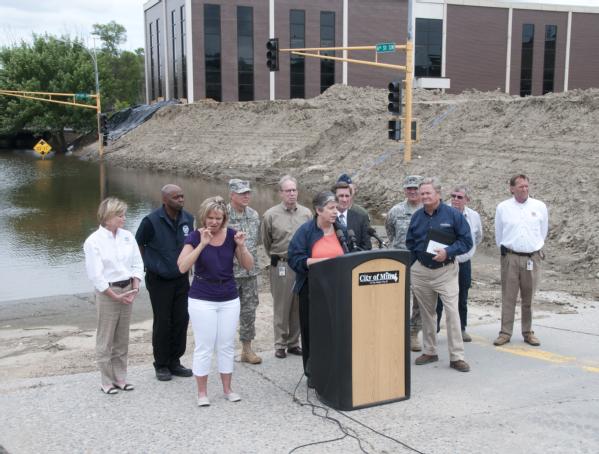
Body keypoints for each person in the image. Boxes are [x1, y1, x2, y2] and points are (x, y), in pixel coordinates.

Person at [177, 196, 254, 407]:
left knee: (226, 345)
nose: (213, 222)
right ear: (203, 217)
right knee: (204, 346)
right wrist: (202, 245)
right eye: (210, 217)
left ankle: (227, 389)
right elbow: (182, 267)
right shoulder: (195, 236)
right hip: (202, 297)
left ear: (224, 218)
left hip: (228, 296)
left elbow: (248, 265)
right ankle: (202, 392)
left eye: (218, 218)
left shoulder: (231, 235)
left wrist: (241, 246)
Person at [406, 178, 473, 373]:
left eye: (428, 193)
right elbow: (410, 242)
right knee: (427, 314)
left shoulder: (453, 215)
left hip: (446, 271)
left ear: (438, 195)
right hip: (421, 272)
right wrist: (414, 266)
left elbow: (467, 241)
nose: (425, 196)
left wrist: (449, 252)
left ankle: (457, 356)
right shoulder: (417, 217)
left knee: (452, 313)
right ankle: (430, 351)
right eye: (422, 193)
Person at [84, 197, 144, 394]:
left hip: (128, 288)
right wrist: (114, 295)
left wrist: (135, 285)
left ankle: (120, 377)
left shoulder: (127, 236)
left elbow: (137, 262)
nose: (123, 218)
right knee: (106, 337)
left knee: (122, 337)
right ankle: (106, 380)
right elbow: (96, 274)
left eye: (124, 214)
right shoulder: (93, 241)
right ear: (108, 217)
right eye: (119, 215)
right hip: (108, 292)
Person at [135, 184, 194, 382]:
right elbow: (138, 244)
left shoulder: (188, 219)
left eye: (182, 196)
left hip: (181, 278)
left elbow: (191, 244)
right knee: (163, 321)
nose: (181, 199)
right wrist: (150, 264)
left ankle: (175, 361)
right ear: (165, 200)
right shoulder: (151, 221)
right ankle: (161, 364)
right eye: (176, 197)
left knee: (181, 319)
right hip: (159, 279)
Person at [288, 191, 345, 383]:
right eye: (331, 208)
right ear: (318, 210)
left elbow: (351, 254)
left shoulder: (341, 229)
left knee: (334, 330)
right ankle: (312, 372)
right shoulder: (305, 231)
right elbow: (295, 260)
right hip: (311, 290)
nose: (335, 211)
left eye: (336, 208)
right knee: (312, 331)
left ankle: (334, 366)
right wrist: (324, 261)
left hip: (338, 289)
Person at [493, 174, 548, 347]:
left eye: (526, 186)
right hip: (510, 257)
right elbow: (499, 234)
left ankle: (528, 332)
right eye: (520, 186)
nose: (524, 189)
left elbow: (543, 231)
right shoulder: (503, 207)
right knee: (508, 297)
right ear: (511, 188)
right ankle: (505, 332)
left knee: (528, 298)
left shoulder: (539, 206)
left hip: (532, 258)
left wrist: (533, 248)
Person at [261, 175, 312, 359]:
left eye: (294, 190)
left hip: (301, 266)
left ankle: (293, 343)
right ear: (281, 193)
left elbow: (310, 239)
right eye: (288, 190)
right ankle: (280, 344)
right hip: (281, 265)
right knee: (282, 306)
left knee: (299, 305)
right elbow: (267, 242)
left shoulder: (306, 214)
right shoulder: (270, 215)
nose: (291, 193)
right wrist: (278, 258)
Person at [435, 185, 483, 342]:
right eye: (453, 196)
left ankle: (461, 328)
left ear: (467, 200)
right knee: (439, 297)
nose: (455, 199)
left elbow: (477, 237)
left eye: (459, 197)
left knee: (462, 296)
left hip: (463, 263)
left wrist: (466, 252)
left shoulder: (474, 216)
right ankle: (434, 329)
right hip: (444, 262)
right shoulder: (442, 212)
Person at [385, 175, 424, 352]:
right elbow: (390, 233)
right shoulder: (396, 211)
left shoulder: (428, 209)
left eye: (415, 188)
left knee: (420, 299)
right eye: (409, 188)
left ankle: (413, 332)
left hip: (421, 261)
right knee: (397, 298)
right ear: (404, 190)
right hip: (400, 259)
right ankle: (396, 330)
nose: (412, 191)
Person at [226, 179, 262, 364]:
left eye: (248, 192)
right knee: (226, 315)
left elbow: (258, 242)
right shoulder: (222, 215)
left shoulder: (254, 215)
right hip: (228, 274)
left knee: (249, 312)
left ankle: (246, 350)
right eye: (241, 193)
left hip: (249, 274)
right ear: (232, 195)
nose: (246, 196)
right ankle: (224, 352)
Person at [332, 181, 371, 251]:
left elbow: (367, 246)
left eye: (347, 196)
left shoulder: (361, 218)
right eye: (341, 196)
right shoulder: (327, 219)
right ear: (333, 197)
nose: (345, 200)